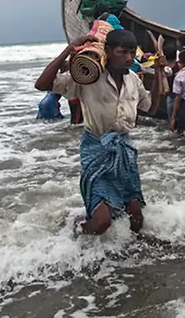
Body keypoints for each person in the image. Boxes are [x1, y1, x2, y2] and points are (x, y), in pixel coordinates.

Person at [34, 29, 167, 235]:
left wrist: (158, 73)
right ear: (108, 52)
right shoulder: (88, 77)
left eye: (132, 53)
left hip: (123, 151)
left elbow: (150, 107)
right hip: (96, 149)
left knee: (136, 219)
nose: (129, 58)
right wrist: (69, 49)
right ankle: (75, 230)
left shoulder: (133, 79)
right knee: (102, 223)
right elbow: (42, 84)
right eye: (122, 52)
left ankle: (130, 258)